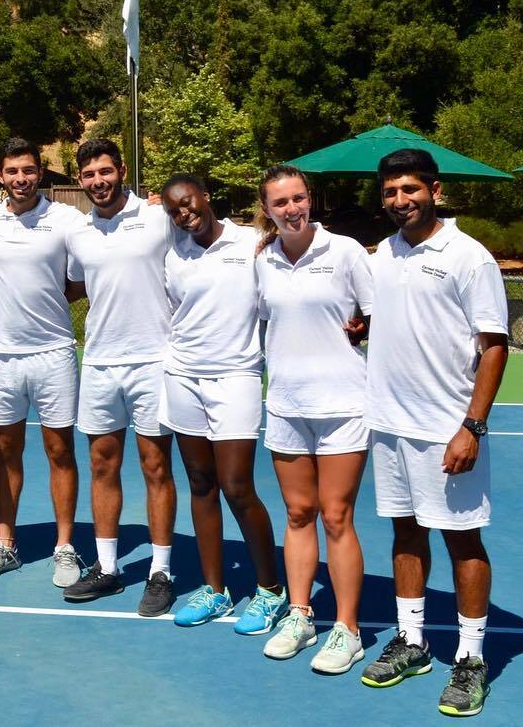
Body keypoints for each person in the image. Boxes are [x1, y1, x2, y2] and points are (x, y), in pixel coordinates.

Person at [359, 149, 508, 718]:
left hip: (447, 428)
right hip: (389, 425)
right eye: (391, 192)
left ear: (435, 191)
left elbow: (493, 346)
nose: (400, 200)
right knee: (405, 532)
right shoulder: (383, 254)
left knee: (462, 539)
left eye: (410, 189)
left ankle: (470, 658)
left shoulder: (470, 257)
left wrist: (472, 426)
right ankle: (413, 641)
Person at [254, 165, 373, 673]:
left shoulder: (345, 252)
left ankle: (348, 629)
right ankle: (300, 616)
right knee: (298, 513)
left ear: (311, 199)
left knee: (336, 516)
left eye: (298, 198)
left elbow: (377, 318)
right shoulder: (262, 260)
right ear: (267, 210)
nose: (292, 209)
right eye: (280, 202)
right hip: (285, 406)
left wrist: (362, 328)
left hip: (344, 406)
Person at [160, 174, 286, 634]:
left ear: (206, 196)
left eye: (188, 202)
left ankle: (271, 589)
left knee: (237, 486)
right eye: (174, 210)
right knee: (200, 483)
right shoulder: (174, 256)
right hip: (183, 376)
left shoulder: (253, 243)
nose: (184, 213)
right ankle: (215, 590)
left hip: (236, 377)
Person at [61, 139, 178, 615]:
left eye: (105, 171)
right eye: (89, 175)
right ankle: (107, 568)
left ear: (122, 170)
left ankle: (160, 572)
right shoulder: (78, 232)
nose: (98, 181)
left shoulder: (159, 217)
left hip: (155, 361)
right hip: (100, 363)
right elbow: (71, 285)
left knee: (156, 467)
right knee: (102, 465)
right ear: (80, 180)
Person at [0, 137, 85, 589]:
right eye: (12, 171)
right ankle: (6, 543)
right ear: (0, 175)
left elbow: (79, 282)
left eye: (29, 170)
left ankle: (65, 546)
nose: (21, 178)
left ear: (40, 172)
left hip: (54, 353)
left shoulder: (66, 219)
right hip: (0, 356)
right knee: (6, 453)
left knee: (60, 451)